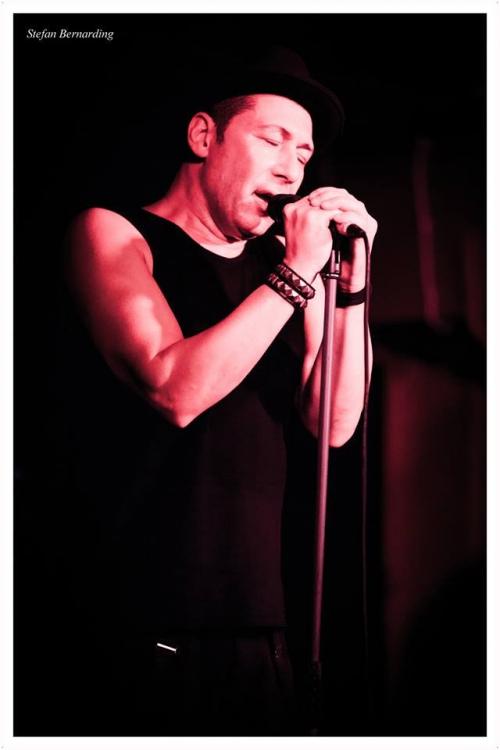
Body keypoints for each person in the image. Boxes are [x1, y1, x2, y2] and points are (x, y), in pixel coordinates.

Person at [60, 45, 377, 736]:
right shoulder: (115, 233)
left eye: (304, 154)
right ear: (205, 136)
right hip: (142, 624)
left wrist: (350, 288)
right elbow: (173, 388)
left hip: (263, 624)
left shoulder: (283, 271)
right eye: (272, 140)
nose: (292, 169)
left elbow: (334, 422)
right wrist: (294, 277)